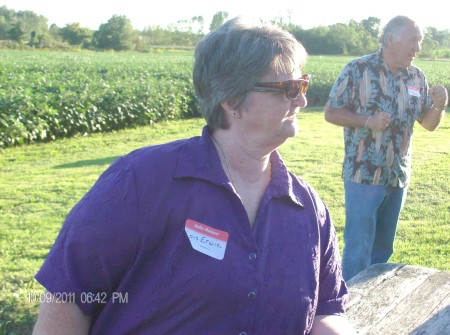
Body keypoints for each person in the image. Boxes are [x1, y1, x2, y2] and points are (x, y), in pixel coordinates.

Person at [33, 16, 356, 335]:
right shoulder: (142, 181)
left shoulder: (308, 209)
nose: (302, 99)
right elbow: (69, 295)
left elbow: (327, 307)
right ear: (232, 99)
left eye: (303, 84)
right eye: (289, 88)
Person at [324, 15, 448, 281]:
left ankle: (372, 299)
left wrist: (439, 106)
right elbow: (331, 112)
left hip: (397, 176)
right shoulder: (358, 69)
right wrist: (367, 121)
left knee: (383, 250)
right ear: (391, 38)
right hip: (363, 175)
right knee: (358, 250)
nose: (417, 48)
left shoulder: (416, 77)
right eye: (413, 40)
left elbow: (428, 123)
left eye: (420, 42)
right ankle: (349, 306)